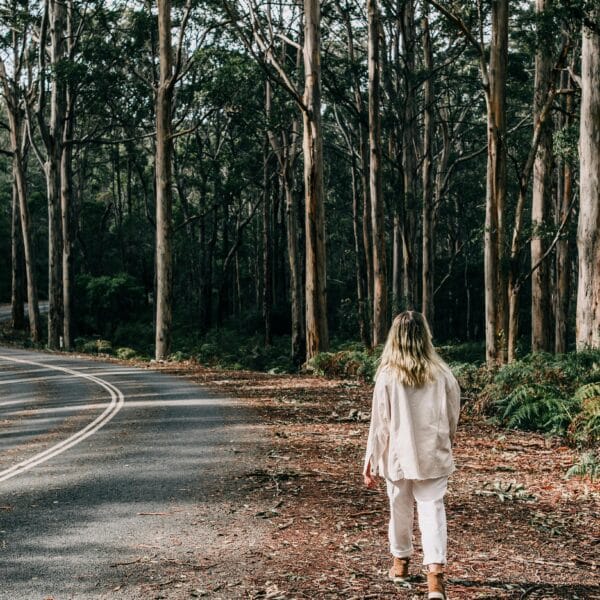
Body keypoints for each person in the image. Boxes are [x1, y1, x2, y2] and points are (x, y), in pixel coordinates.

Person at [363, 311, 460, 600]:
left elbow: (380, 423)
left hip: (397, 455)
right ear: (424, 336)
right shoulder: (442, 373)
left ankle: (401, 564)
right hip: (432, 453)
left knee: (399, 509)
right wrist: (446, 442)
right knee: (432, 511)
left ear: (395, 338)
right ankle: (435, 580)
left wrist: (371, 459)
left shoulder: (388, 375)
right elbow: (452, 415)